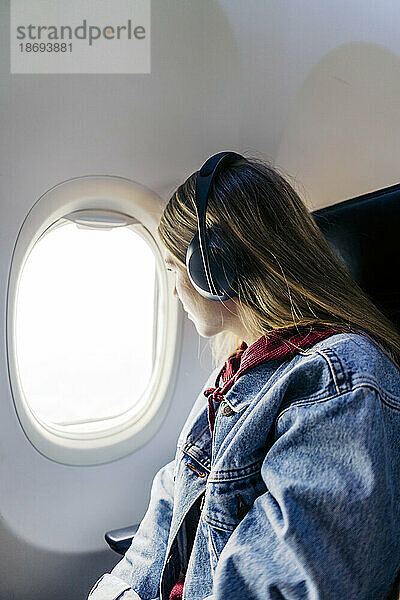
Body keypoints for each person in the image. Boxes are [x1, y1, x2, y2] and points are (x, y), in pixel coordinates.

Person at [88, 152, 400, 600]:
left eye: (174, 270)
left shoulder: (340, 383)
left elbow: (291, 583)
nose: (174, 290)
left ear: (212, 269)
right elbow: (165, 511)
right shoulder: (235, 376)